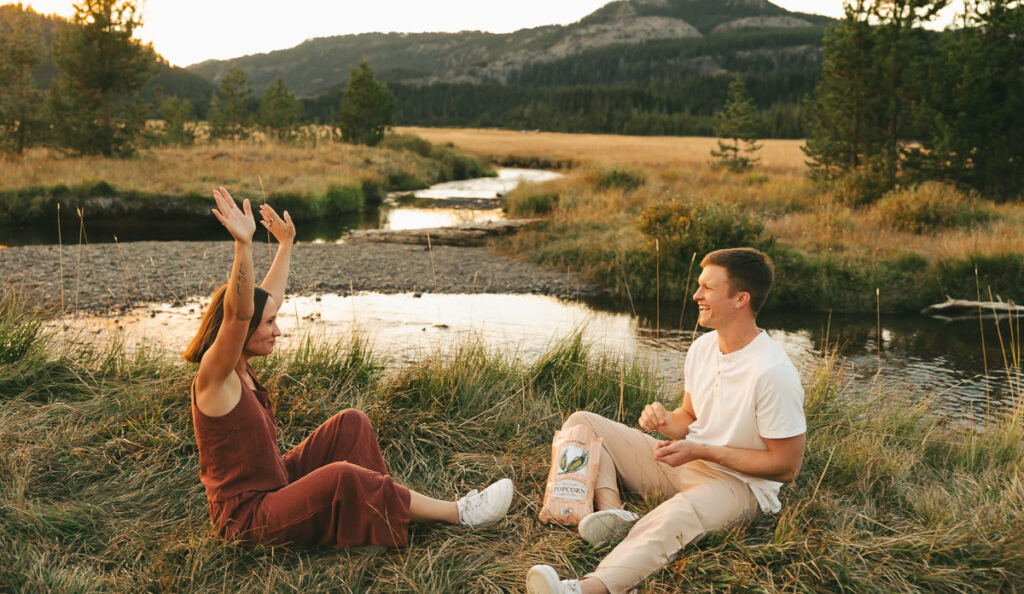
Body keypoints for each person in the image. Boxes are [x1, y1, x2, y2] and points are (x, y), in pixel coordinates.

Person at [185, 187, 513, 549]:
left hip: (276, 486)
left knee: (350, 423)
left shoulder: (243, 363)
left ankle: (382, 515)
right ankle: (461, 513)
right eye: (269, 325)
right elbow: (241, 311)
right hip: (248, 521)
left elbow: (265, 302)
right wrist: (243, 246)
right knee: (343, 476)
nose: (277, 330)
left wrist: (286, 244)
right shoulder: (216, 376)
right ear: (242, 332)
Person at [527, 247, 806, 594]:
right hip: (685, 460)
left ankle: (586, 588)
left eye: (708, 288)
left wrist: (704, 450)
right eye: (699, 285)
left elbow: (785, 467)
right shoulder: (703, 348)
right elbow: (689, 417)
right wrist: (663, 421)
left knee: (672, 517)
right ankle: (614, 515)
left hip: (740, 486)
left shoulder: (773, 373)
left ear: (741, 299)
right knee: (583, 422)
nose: (696, 295)